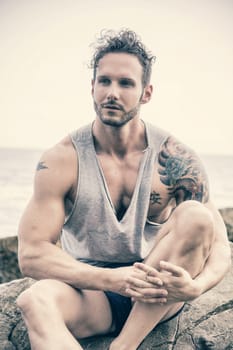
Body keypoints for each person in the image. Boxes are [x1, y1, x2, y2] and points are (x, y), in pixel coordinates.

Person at [16, 29, 231, 350]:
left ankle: (124, 346)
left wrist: (196, 287)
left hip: (156, 295)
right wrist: (113, 279)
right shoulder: (62, 159)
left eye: (126, 83)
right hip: (92, 293)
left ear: (146, 93)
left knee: (197, 216)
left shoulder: (176, 158)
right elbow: (32, 254)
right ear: (92, 87)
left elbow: (218, 244)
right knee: (34, 300)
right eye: (104, 81)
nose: (112, 92)